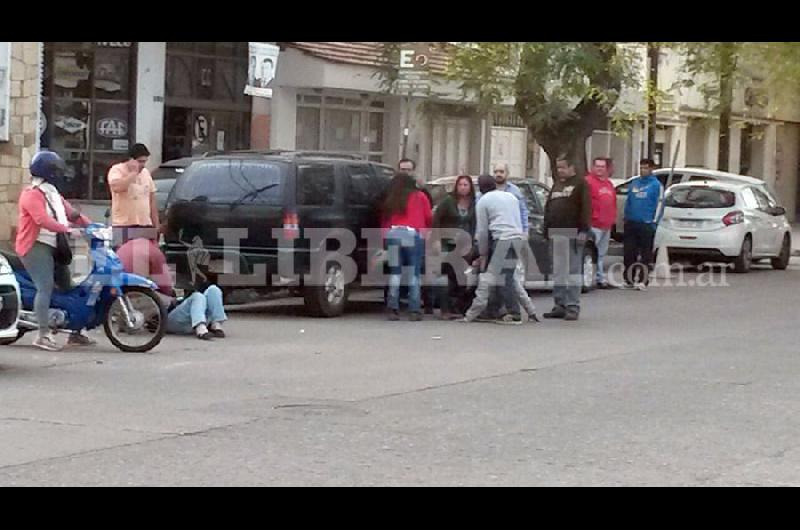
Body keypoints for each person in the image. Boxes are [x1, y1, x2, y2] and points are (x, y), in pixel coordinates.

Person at [15, 151, 93, 351]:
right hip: (35, 246)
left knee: (69, 286)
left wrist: (90, 225)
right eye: (56, 170)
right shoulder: (31, 194)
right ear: (49, 172)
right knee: (46, 286)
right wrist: (68, 229)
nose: (60, 174)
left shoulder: (52, 192)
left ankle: (75, 331)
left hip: (55, 245)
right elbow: (42, 220)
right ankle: (42, 334)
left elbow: (69, 212)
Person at [117, 238, 227, 341]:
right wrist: (174, 295)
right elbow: (166, 288)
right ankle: (201, 328)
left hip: (137, 305)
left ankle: (216, 325)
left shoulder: (122, 252)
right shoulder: (154, 254)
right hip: (167, 317)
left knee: (213, 289)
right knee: (197, 297)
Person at [463, 175, 538, 325]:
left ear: (480, 188)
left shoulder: (483, 201)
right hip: (517, 237)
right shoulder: (511, 197)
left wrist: (482, 252)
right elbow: (519, 218)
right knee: (506, 276)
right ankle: (498, 310)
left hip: (502, 239)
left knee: (501, 278)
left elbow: (483, 230)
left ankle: (513, 313)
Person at [543, 157, 592, 321]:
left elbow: (586, 208)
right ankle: (559, 304)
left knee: (573, 271)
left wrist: (584, 230)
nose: (560, 170)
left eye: (563, 167)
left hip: (573, 232)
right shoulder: (557, 184)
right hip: (555, 232)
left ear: (572, 167)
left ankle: (572, 306)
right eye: (558, 168)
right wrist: (545, 230)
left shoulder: (580, 184)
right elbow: (548, 207)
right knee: (558, 271)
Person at [382, 171, 432, 321]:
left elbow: (384, 219)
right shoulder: (419, 196)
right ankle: (414, 310)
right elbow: (428, 216)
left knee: (395, 272)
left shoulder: (391, 198)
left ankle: (392, 308)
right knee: (413, 273)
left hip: (393, 233)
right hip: (412, 234)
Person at [431, 175, 477, 320]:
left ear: (470, 187)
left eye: (466, 185)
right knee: (447, 275)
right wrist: (436, 240)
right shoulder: (448, 201)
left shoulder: (474, 203)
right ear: (456, 187)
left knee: (461, 276)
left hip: (464, 245)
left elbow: (475, 224)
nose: (463, 187)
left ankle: (457, 306)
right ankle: (445, 309)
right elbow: (436, 220)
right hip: (447, 243)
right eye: (461, 185)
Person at [397, 158, 435, 315]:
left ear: (413, 171)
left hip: (417, 236)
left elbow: (428, 215)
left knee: (417, 271)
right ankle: (394, 303)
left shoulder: (421, 193)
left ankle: (421, 305)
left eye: (408, 170)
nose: (405, 173)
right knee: (396, 271)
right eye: (402, 170)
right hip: (396, 234)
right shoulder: (392, 190)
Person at [623, 158, 665, 290]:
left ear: (651, 169)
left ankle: (643, 280)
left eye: (646, 168)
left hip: (646, 223)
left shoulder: (656, 185)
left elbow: (660, 204)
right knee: (629, 253)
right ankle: (629, 279)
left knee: (646, 254)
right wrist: (626, 216)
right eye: (641, 167)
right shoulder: (634, 182)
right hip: (631, 222)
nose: (643, 170)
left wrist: (653, 222)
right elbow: (629, 200)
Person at [108, 143, 158, 248]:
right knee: (123, 259)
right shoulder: (117, 170)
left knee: (142, 262)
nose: (143, 165)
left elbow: (152, 201)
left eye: (145, 162)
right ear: (131, 159)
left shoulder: (146, 173)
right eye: (140, 161)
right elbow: (117, 187)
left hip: (144, 225)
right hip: (123, 226)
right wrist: (133, 173)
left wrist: (156, 227)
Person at [586, 157, 617, 289]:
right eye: (597, 166)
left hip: (606, 224)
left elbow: (613, 202)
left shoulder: (609, 184)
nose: (599, 169)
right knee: (593, 252)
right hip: (594, 224)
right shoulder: (587, 182)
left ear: (606, 168)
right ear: (593, 167)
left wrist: (613, 219)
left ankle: (600, 277)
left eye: (602, 166)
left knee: (602, 253)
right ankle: (595, 278)